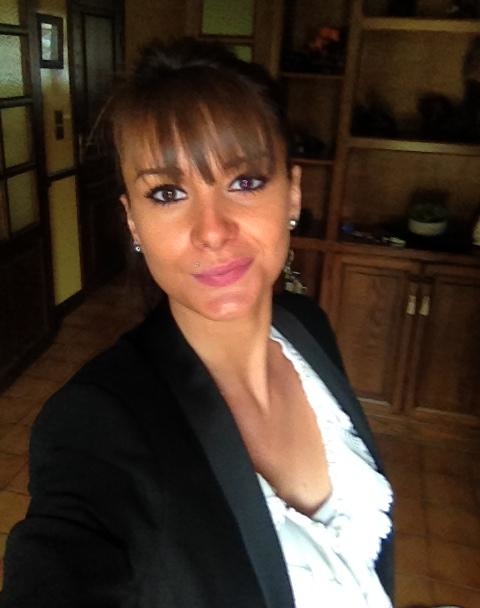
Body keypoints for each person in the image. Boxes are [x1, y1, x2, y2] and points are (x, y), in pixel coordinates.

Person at [0, 38, 394, 608]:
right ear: (132, 221)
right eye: (167, 193)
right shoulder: (97, 427)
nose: (212, 230)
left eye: (245, 182)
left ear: (293, 193)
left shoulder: (308, 331)